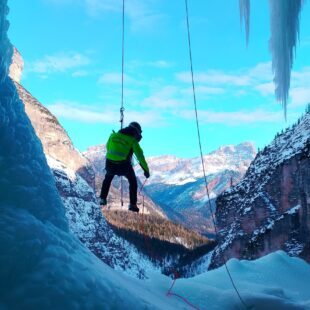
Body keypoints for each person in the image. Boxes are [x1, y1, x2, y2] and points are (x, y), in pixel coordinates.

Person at [99, 122, 150, 213]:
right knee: (133, 181)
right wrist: (146, 170)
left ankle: (102, 198)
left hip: (110, 164)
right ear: (136, 132)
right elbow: (140, 156)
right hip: (124, 166)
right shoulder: (132, 141)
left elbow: (108, 147)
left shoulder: (113, 135)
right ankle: (132, 204)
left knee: (108, 178)